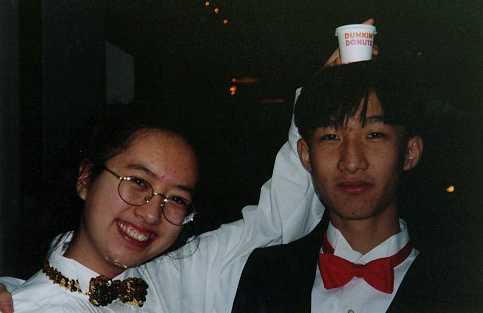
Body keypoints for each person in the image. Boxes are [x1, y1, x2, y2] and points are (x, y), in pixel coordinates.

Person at [0, 102, 324, 313]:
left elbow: (273, 224)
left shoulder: (167, 273)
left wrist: (318, 105)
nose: (152, 214)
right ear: (86, 178)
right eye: (138, 182)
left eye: (177, 200)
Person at [231, 58, 445, 313]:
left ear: (410, 152)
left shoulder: (459, 286)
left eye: (374, 135)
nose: (352, 162)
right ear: (306, 155)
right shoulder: (265, 278)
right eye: (331, 137)